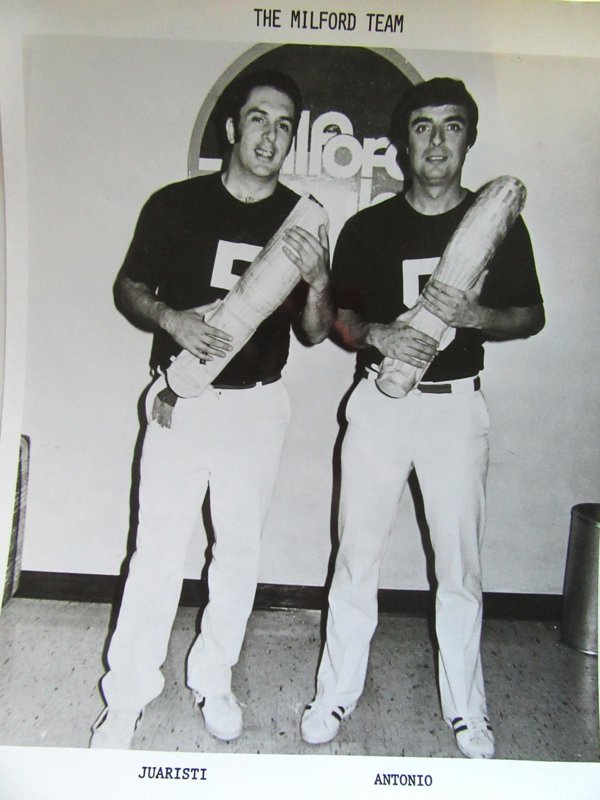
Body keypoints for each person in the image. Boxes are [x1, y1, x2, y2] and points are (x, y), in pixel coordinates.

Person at [300, 77, 544, 759]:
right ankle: (336, 693)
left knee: (460, 570)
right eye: (423, 127)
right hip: (378, 404)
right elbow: (340, 318)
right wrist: (376, 334)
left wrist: (477, 316)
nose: (437, 141)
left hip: (456, 409)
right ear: (403, 142)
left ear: (469, 138)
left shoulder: (499, 222)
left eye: (452, 126)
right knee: (355, 560)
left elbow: (531, 314)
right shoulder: (370, 226)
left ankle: (467, 710)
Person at [90, 69, 333, 749]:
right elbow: (130, 287)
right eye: (260, 119)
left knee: (238, 553)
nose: (271, 134)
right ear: (232, 128)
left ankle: (214, 677)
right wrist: (172, 319)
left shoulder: (300, 221)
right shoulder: (176, 205)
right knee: (157, 551)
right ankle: (127, 696)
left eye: (285, 124)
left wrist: (316, 278)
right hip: (182, 400)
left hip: (258, 408)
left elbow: (315, 331)